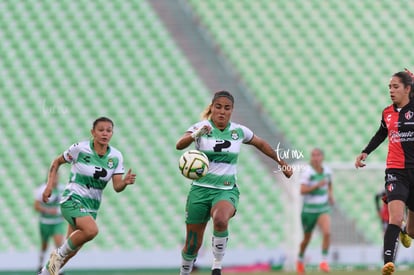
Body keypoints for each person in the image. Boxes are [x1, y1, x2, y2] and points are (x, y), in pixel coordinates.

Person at [175, 90, 293, 275]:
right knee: (192, 244)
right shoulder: (201, 127)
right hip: (200, 190)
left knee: (221, 220)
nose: (222, 111)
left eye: (227, 108)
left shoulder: (239, 131)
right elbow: (179, 145)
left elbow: (261, 143)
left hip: (226, 189)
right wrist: (195, 134)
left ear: (232, 111)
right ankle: (184, 272)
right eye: (218, 107)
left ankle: (217, 266)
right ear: (212, 108)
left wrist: (282, 162)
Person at [38, 117, 136, 275]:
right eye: (101, 130)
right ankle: (58, 253)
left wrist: (125, 182)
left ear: (112, 133)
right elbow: (56, 162)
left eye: (108, 130)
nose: (105, 133)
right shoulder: (80, 149)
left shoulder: (116, 156)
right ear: (93, 132)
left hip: (91, 207)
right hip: (72, 199)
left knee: (72, 252)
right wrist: (49, 186)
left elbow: (117, 187)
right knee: (91, 231)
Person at [355, 71, 414, 275]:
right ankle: (388, 263)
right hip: (395, 172)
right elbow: (381, 133)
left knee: (412, 231)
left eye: (396, 86)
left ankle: (406, 232)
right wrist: (365, 151)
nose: (391, 90)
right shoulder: (387, 113)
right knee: (395, 218)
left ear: (407, 89)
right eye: (389, 87)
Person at [296, 148, 334, 275]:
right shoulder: (307, 172)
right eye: (313, 155)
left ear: (322, 157)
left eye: (317, 155)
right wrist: (316, 185)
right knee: (307, 239)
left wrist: (330, 196)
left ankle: (324, 261)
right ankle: (300, 260)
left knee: (327, 232)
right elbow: (302, 190)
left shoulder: (327, 171)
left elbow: (329, 184)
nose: (315, 157)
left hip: (322, 208)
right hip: (309, 211)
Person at [34, 175, 66, 274]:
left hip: (58, 222)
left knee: (59, 245)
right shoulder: (41, 189)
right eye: (53, 177)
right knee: (44, 244)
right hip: (45, 222)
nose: (55, 179)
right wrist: (48, 210)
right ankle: (40, 264)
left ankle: (56, 268)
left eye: (57, 177)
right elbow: (36, 206)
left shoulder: (62, 188)